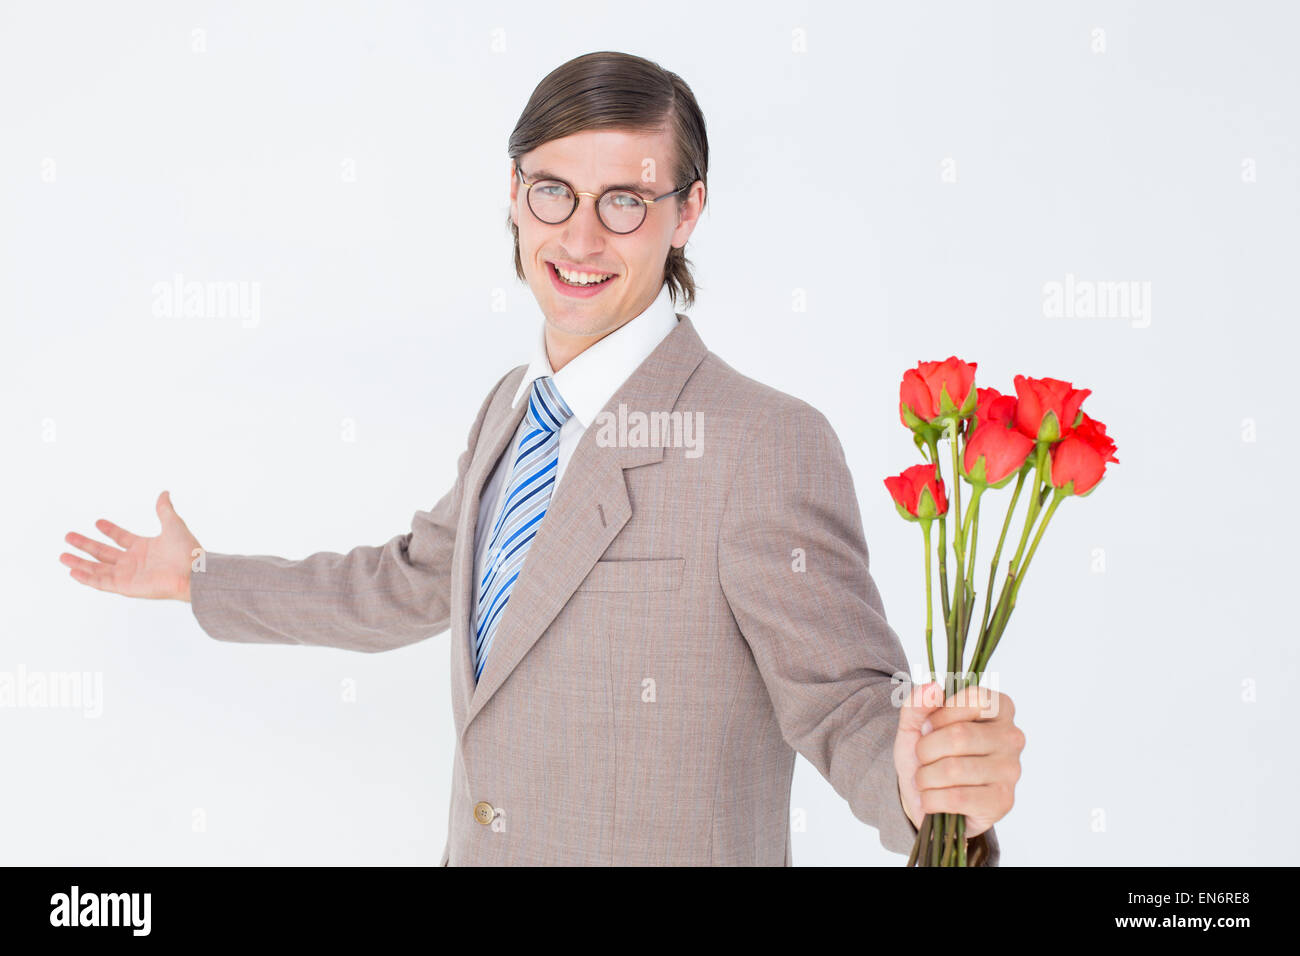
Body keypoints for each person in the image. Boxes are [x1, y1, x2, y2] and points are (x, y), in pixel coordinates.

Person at [61, 50, 1023, 866]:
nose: (580, 234)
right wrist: (198, 579)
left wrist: (924, 785)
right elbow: (411, 582)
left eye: (626, 201)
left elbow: (846, 704)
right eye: (554, 190)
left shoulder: (761, 440)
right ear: (515, 194)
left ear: (686, 214)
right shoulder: (511, 410)